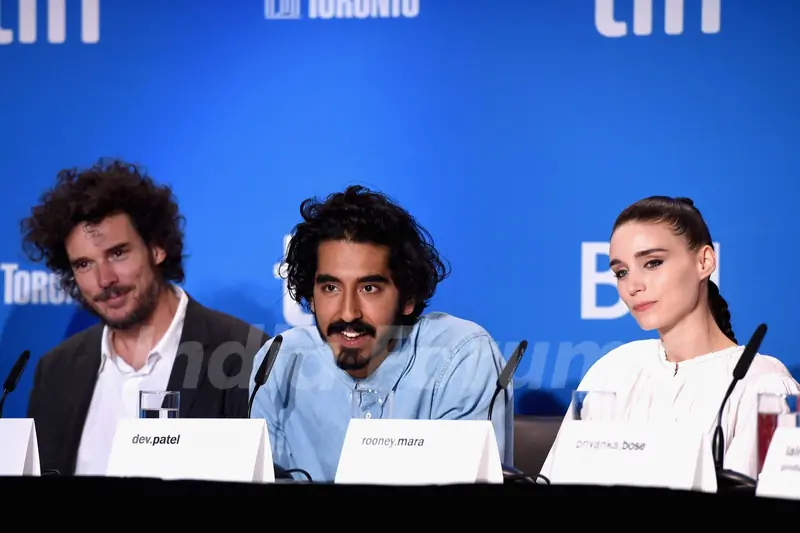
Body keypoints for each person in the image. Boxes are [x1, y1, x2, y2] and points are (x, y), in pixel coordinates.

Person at [21, 159, 270, 477]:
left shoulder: (244, 355)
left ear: (157, 248)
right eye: (84, 264)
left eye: (117, 253)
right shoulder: (56, 371)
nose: (104, 279)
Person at [249, 185, 513, 482]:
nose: (348, 313)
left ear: (408, 297)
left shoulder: (461, 356)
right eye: (331, 288)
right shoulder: (280, 362)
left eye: (369, 288)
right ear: (311, 296)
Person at [540, 196, 799, 481]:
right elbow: (555, 480)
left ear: (705, 261)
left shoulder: (765, 385)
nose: (633, 286)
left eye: (652, 263)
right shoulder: (610, 372)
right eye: (621, 272)